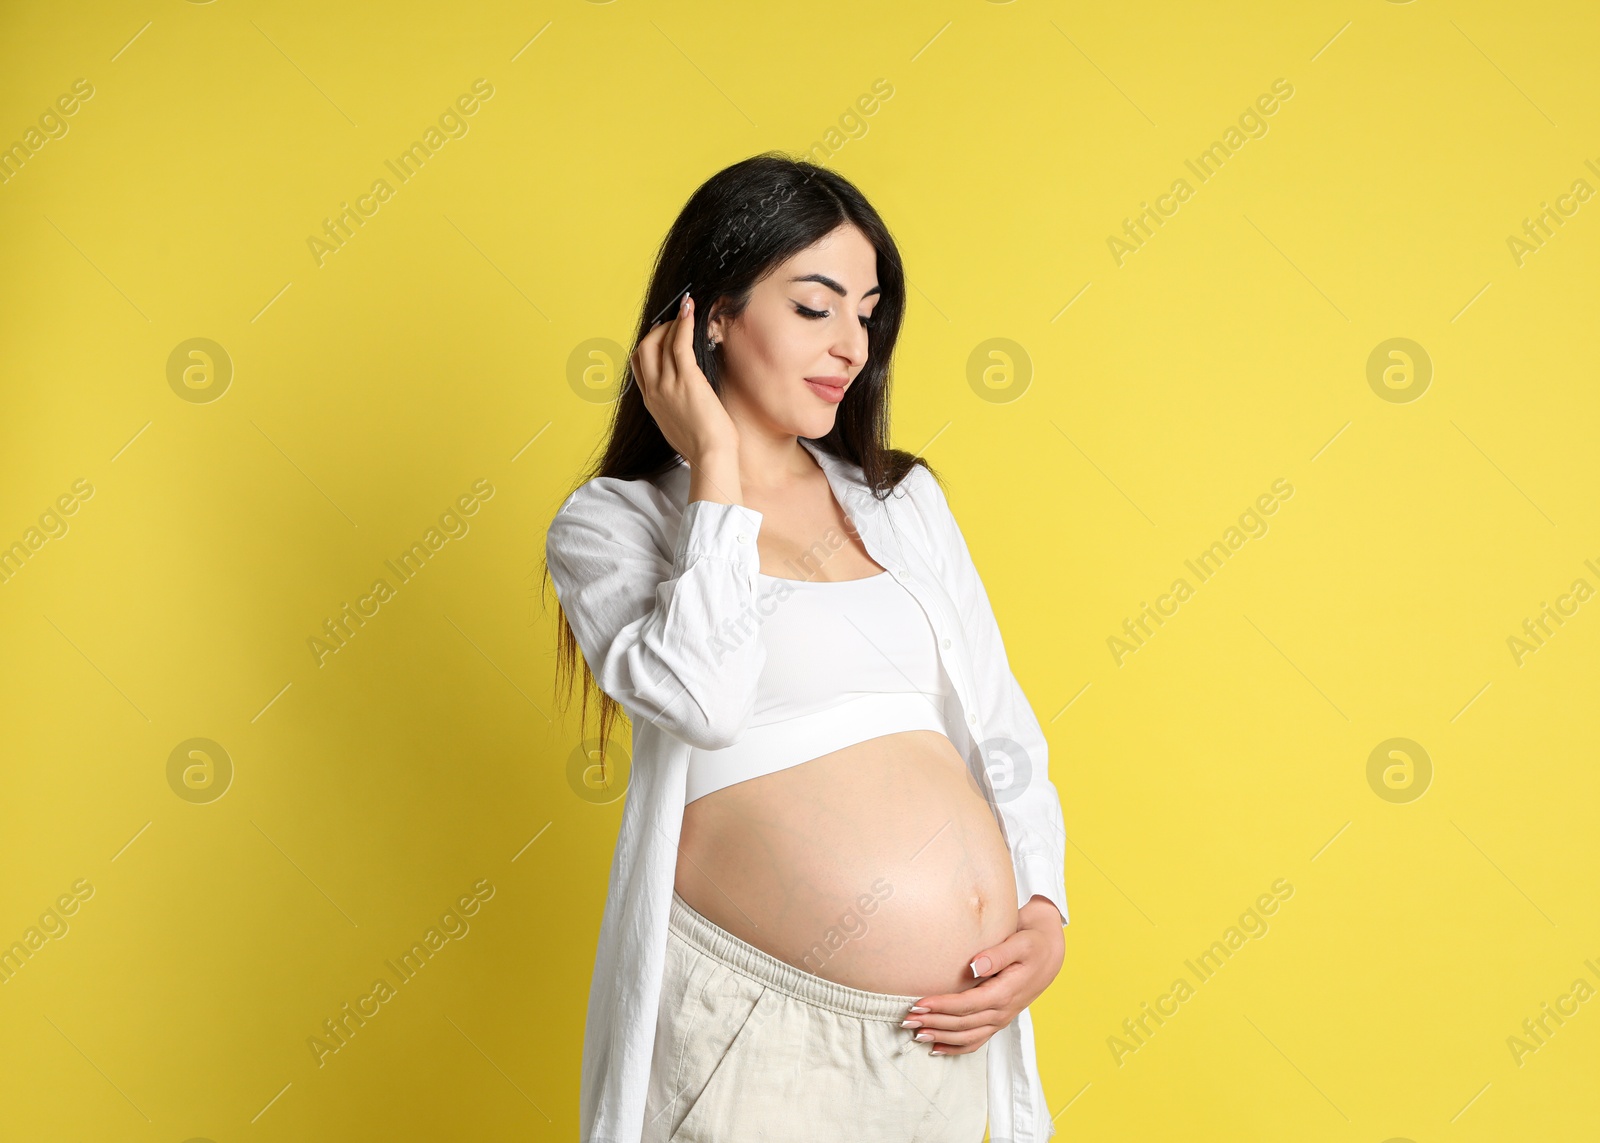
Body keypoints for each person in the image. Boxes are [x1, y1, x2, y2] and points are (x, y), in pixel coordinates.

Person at [543, 153, 1069, 1143]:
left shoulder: (900, 502)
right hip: (759, 1040)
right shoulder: (612, 525)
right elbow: (703, 699)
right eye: (815, 306)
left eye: (867, 314)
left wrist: (1041, 912)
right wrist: (715, 467)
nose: (851, 347)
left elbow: (1000, 728)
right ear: (711, 316)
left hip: (940, 1047)